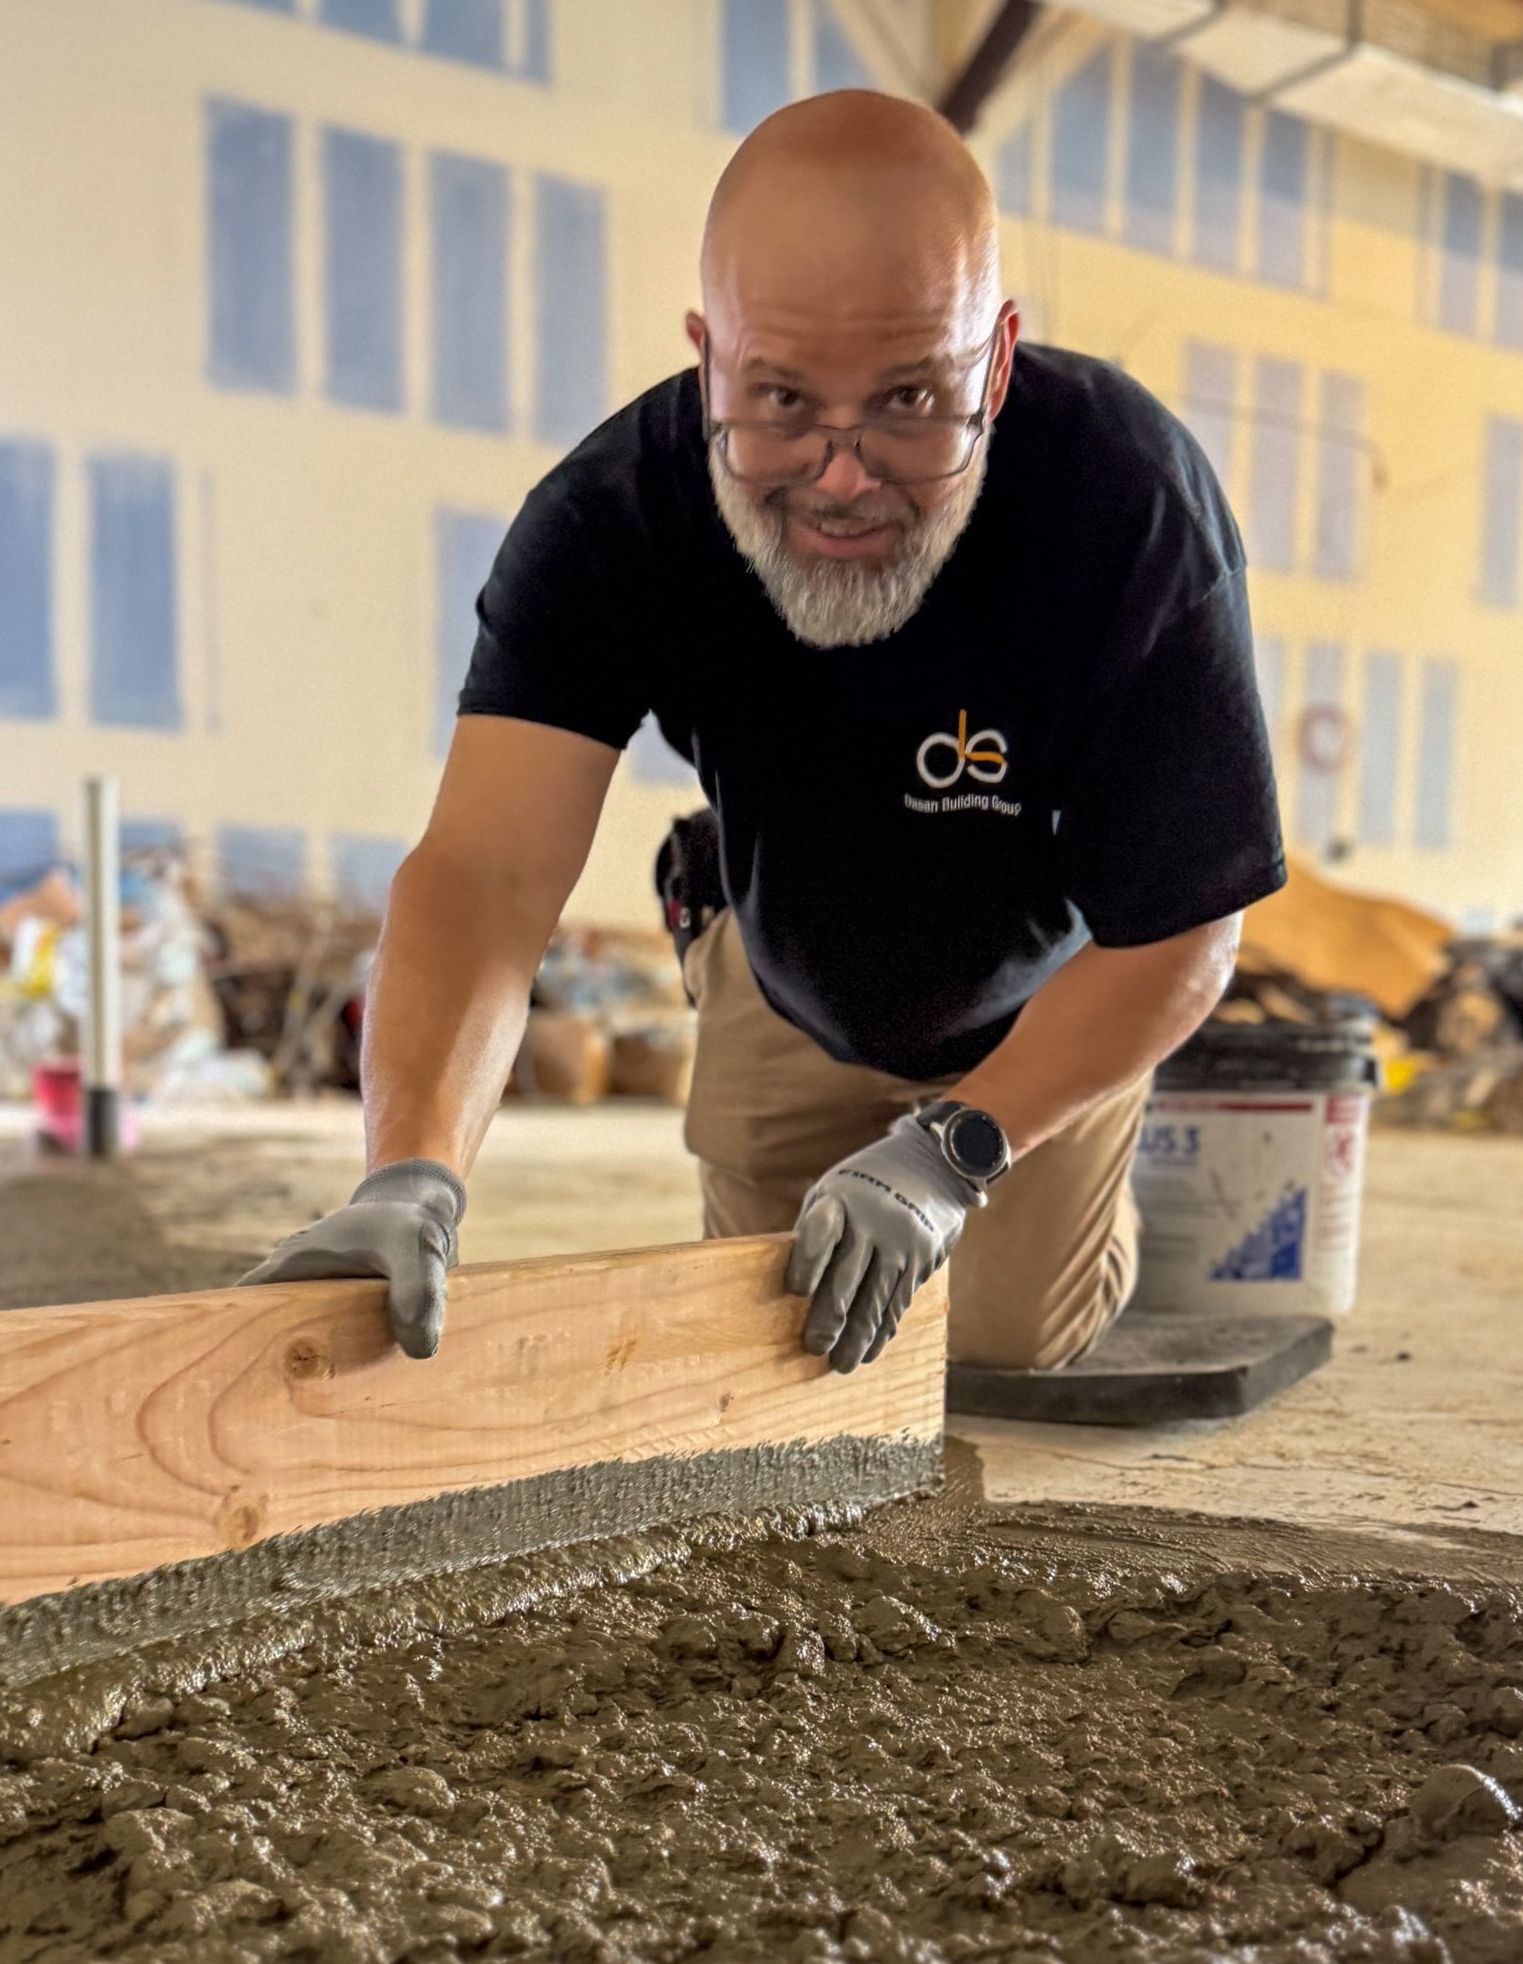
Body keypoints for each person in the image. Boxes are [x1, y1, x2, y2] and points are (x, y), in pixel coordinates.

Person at [245, 90, 1285, 1375]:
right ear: (707, 356)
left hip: (1037, 1006)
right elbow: (485, 871)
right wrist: (409, 1172)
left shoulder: (1126, 505)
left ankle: (1087, 1164)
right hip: (784, 959)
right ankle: (722, 913)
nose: (841, 475)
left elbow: (1186, 929)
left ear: (998, 362)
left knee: (1004, 1349)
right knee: (780, 1350)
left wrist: (949, 1152)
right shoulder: (611, 520)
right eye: (780, 399)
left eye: (911, 398)